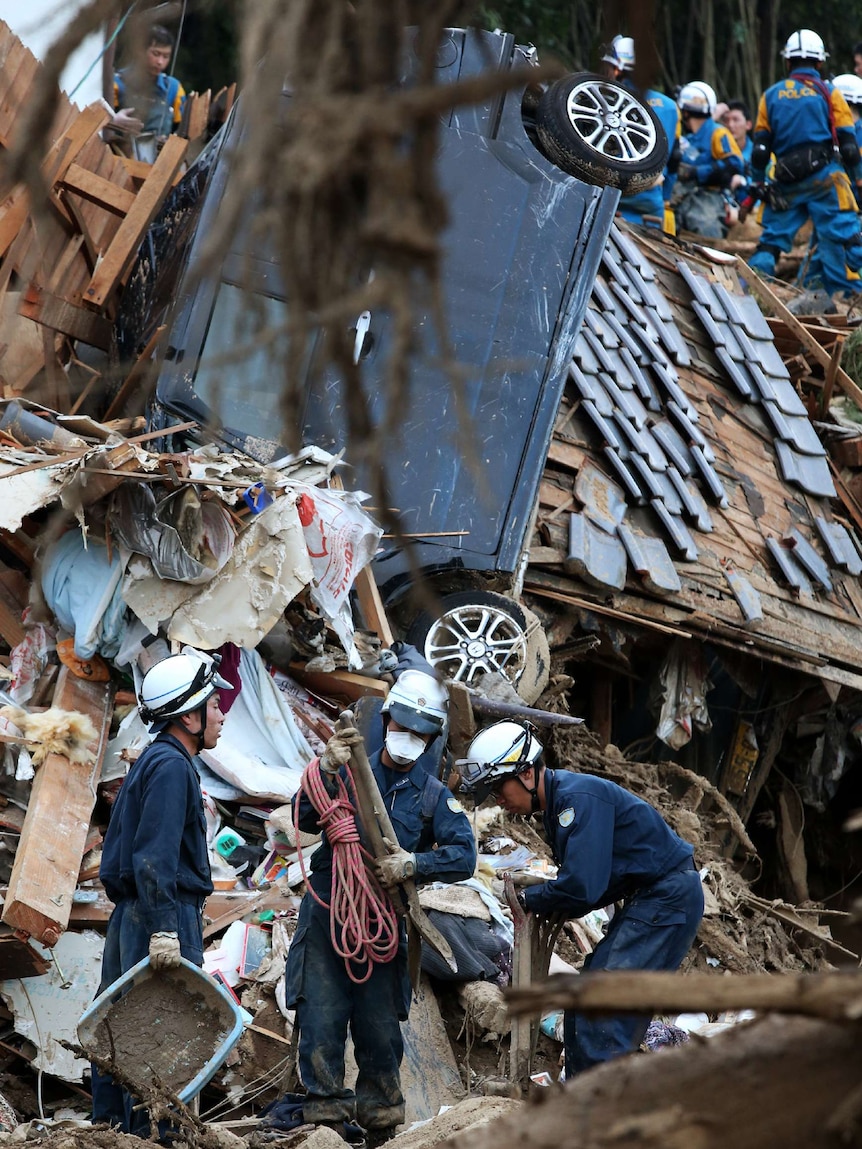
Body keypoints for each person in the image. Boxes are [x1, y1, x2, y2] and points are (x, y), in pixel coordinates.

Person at [284, 669, 476, 1147]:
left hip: (383, 926)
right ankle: (325, 1125)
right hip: (330, 913)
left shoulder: (435, 798)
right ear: (387, 720)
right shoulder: (346, 773)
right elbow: (304, 817)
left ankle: (380, 1127)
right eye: (401, 726)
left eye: (419, 732)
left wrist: (414, 863)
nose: (407, 738)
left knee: (379, 1034)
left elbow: (464, 856)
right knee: (321, 1021)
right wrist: (326, 772)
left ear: (430, 738)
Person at [458, 720, 704, 1080]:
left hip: (665, 899)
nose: (498, 800)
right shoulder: (561, 806)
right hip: (652, 901)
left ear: (527, 773)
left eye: (498, 788)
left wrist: (533, 897)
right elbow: (587, 887)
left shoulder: (576, 801)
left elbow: (583, 887)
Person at [91, 649, 231, 1135]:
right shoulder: (171, 768)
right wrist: (166, 930)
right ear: (190, 716)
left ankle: (109, 1134)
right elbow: (154, 857)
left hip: (135, 914)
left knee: (121, 1027)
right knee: (163, 1035)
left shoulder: (156, 761)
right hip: (160, 914)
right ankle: (154, 1139)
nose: (221, 715)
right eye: (214, 707)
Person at [747, 29, 862, 296]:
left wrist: (756, 182)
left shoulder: (771, 95)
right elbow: (847, 145)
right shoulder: (829, 92)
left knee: (770, 244)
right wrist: (858, 179)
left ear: (787, 62)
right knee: (848, 238)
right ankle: (852, 300)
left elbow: (761, 149)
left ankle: (748, 295)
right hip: (825, 179)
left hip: (786, 182)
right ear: (820, 63)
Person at [599, 35, 681, 233]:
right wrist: (666, 196)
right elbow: (675, 158)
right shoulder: (670, 107)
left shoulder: (603, 98)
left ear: (616, 68)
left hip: (609, 193)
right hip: (650, 197)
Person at [674, 80, 744, 237]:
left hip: (710, 196)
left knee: (705, 229)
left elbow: (733, 164)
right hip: (685, 194)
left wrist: (697, 172)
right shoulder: (689, 139)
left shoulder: (718, 133)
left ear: (685, 112)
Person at [110, 23, 186, 151]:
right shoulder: (117, 83)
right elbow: (98, 121)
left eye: (166, 56)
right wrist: (113, 121)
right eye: (156, 54)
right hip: (119, 155)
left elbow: (182, 131)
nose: (160, 62)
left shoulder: (174, 88)